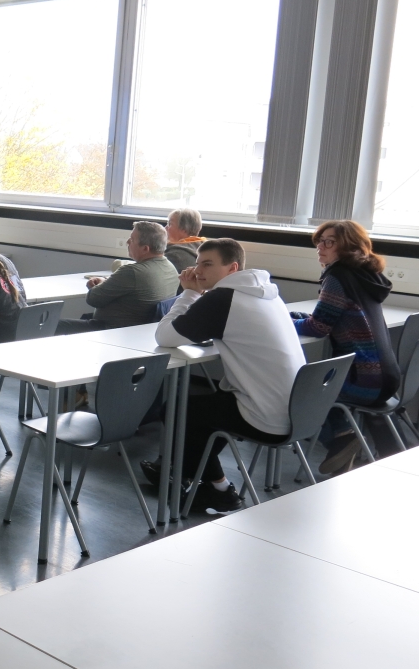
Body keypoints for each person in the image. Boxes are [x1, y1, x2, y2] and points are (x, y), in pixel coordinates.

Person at [149, 238, 305, 514]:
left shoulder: (223, 298)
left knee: (176, 410)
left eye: (207, 264)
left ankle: (219, 489)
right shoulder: (267, 292)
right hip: (297, 409)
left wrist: (189, 293)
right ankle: (187, 473)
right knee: (208, 408)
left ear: (232, 268)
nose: (198, 271)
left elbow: (164, 336)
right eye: (197, 263)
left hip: (264, 416)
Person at [292, 220, 401, 474]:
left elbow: (318, 328)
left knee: (302, 390)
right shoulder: (366, 276)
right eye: (319, 241)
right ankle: (345, 447)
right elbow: (329, 318)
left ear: (348, 247)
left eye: (329, 242)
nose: (321, 246)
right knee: (321, 380)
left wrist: (284, 322)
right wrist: (299, 319)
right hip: (387, 378)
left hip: (364, 381)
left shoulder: (337, 277)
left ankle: (342, 436)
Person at [57, 221, 178, 334]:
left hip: (112, 331)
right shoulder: (171, 269)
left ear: (145, 248)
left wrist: (99, 284)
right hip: (142, 332)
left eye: (132, 239)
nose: (127, 242)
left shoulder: (132, 272)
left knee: (50, 326)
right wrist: (106, 282)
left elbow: (93, 299)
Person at [164, 208, 206, 273]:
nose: (165, 228)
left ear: (184, 229)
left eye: (170, 224)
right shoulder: (204, 246)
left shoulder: (174, 255)